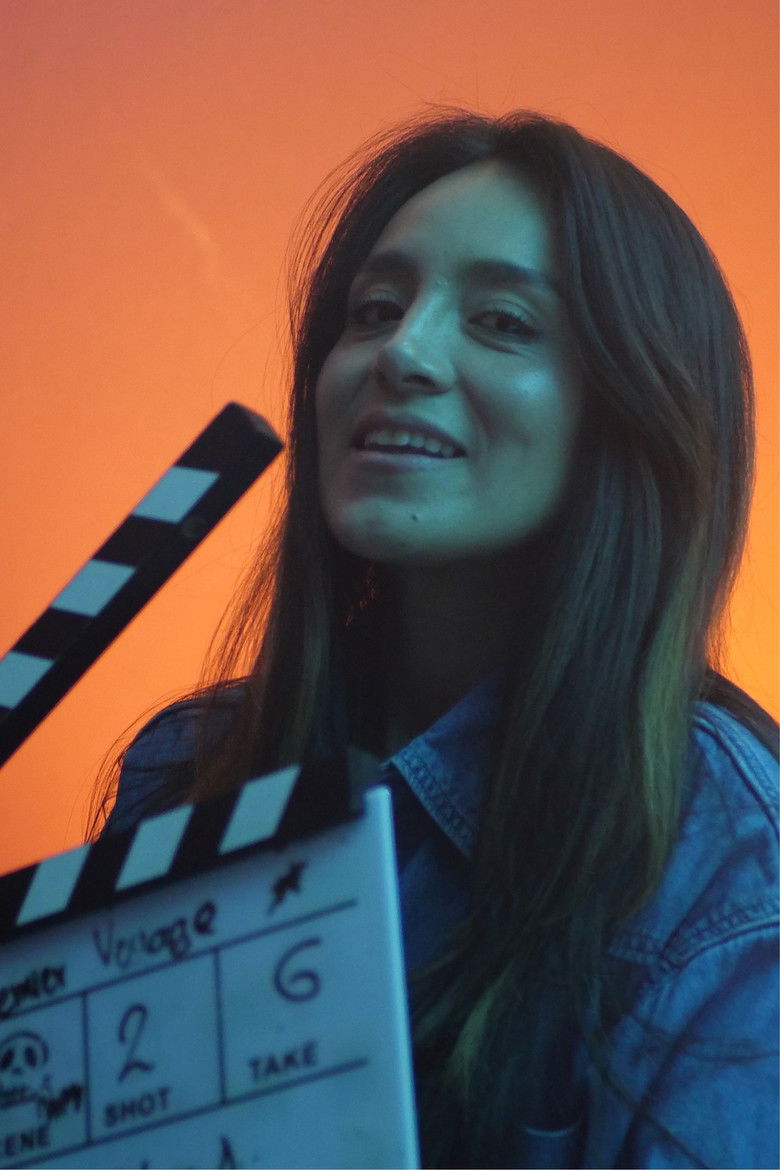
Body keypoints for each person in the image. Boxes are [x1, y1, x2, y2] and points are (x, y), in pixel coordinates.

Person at [96, 108, 779, 1168]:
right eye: (374, 310)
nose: (402, 352)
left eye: (504, 321)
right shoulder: (190, 769)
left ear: (633, 410)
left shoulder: (719, 850)